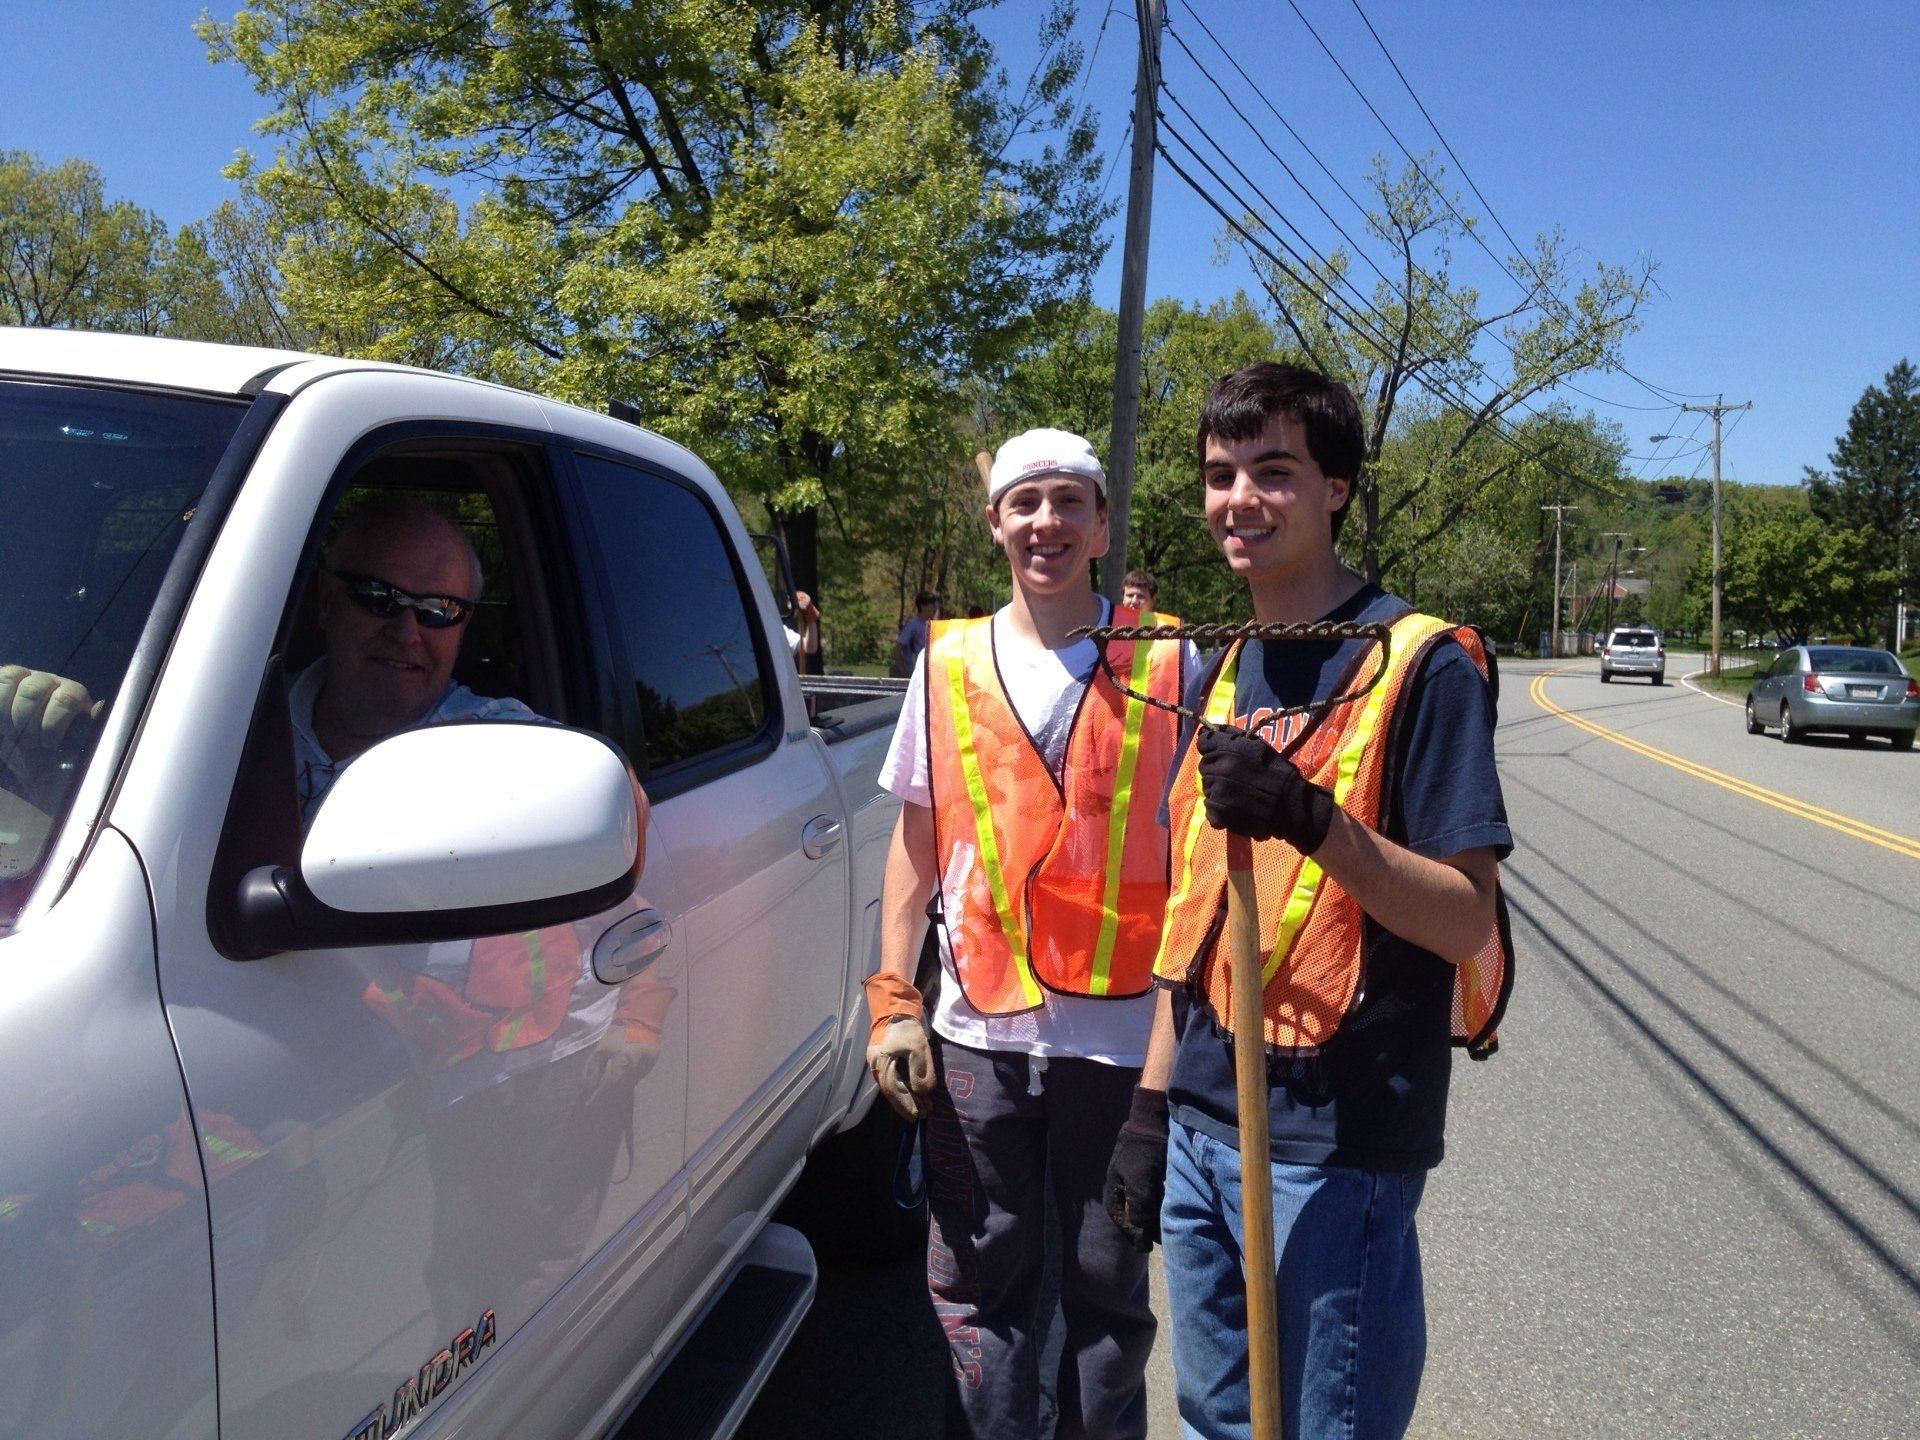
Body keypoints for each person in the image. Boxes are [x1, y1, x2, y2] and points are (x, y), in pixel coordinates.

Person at [1104, 364, 1513, 1440]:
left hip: (1335, 1150)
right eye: (1220, 474)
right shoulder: (1223, 666)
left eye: (1273, 471)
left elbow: (1466, 918)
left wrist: (1309, 816)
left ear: (1336, 488)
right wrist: (1149, 1112)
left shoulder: (1422, 664)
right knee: (1214, 1422)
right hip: (1203, 1122)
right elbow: (1196, 914)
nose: (1239, 498)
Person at [866, 427, 1194, 1439]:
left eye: (1067, 502)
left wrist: (1172, 1067)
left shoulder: (1171, 659)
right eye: (1025, 503)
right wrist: (893, 999)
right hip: (979, 1036)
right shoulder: (946, 662)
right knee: (977, 1292)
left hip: (1118, 1045)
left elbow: (1201, 865)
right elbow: (917, 848)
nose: (1045, 522)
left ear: (1100, 524)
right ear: (995, 522)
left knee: (1107, 1295)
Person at [892, 590, 939, 677]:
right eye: (932, 604)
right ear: (922, 606)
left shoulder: (934, 625)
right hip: (916, 673)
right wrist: (904, 674)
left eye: (935, 604)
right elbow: (897, 650)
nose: (935, 607)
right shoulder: (913, 625)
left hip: (931, 674)